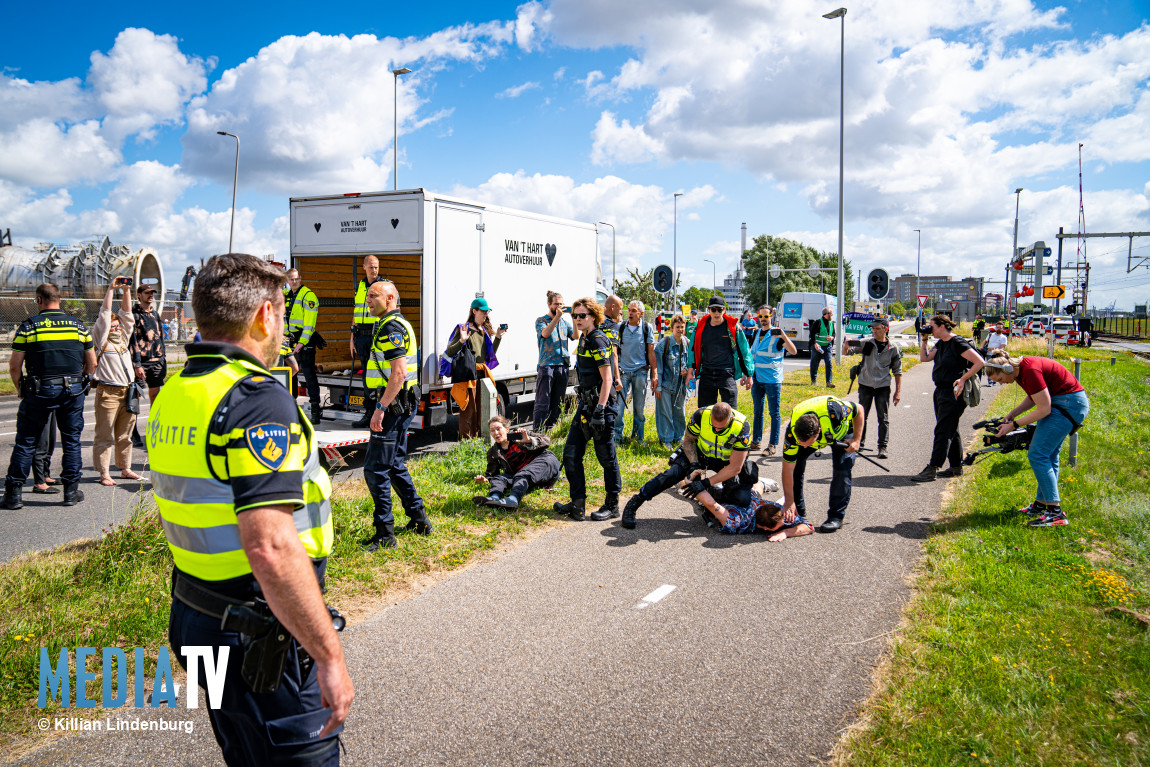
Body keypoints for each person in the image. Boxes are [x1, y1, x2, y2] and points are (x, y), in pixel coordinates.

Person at [151, 253, 353, 765]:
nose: (283, 327)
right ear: (265, 314)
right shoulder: (255, 398)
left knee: (245, 752)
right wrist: (329, 655)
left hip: (196, 614)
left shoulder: (176, 392)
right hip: (259, 632)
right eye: (282, 313)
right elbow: (270, 545)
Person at [3, 284, 95, 510]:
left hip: (40, 390)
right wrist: (83, 381)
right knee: (71, 441)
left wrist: (20, 389)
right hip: (72, 390)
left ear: (38, 300)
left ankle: (14, 495)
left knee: (26, 441)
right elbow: (92, 362)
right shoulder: (78, 326)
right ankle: (71, 492)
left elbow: (15, 366)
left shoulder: (29, 326)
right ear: (60, 300)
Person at [362, 281, 434, 550]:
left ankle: (384, 534)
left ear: (390, 298)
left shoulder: (390, 327)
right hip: (403, 403)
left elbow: (399, 374)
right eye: (367, 295)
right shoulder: (398, 322)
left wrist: (380, 408)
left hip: (392, 406)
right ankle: (419, 519)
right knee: (393, 464)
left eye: (373, 295)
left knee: (375, 469)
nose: (367, 300)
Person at [983, 351, 1089, 527]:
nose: (1001, 383)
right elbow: (1035, 396)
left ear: (1007, 369)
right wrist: (1013, 413)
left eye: (1000, 379)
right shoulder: (1019, 372)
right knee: (1049, 456)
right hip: (1067, 403)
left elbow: (1044, 409)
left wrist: (1013, 425)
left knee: (1038, 454)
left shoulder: (1030, 370)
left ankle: (1055, 513)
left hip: (1068, 405)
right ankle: (1042, 505)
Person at [620, 402, 757, 530]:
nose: (716, 429)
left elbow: (735, 467)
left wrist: (705, 483)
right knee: (671, 474)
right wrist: (694, 464)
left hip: (726, 462)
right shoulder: (701, 415)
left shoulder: (741, 427)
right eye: (713, 426)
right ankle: (635, 502)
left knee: (742, 498)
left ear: (730, 418)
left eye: (720, 428)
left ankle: (717, 494)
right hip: (701, 455)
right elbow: (689, 440)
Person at [554, 297, 621, 522]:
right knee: (571, 455)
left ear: (593, 316)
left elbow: (608, 379)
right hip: (585, 405)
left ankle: (612, 505)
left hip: (602, 407)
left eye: (582, 315)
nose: (578, 319)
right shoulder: (583, 339)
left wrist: (600, 410)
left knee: (606, 458)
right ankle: (577, 504)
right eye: (575, 315)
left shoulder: (598, 340)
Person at [911, 314, 985, 482]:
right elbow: (925, 358)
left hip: (954, 392)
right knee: (951, 428)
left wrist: (963, 379)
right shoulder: (941, 343)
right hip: (940, 391)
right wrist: (924, 340)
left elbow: (979, 362)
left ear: (943, 326)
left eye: (933, 327)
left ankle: (933, 467)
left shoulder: (957, 343)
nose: (931, 329)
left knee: (943, 430)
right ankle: (956, 467)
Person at [779, 395, 864, 533]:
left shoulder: (835, 411)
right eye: (802, 444)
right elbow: (787, 469)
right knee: (796, 466)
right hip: (814, 434)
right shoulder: (792, 434)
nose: (805, 447)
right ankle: (797, 510)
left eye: (807, 444)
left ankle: (836, 516)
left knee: (842, 468)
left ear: (818, 432)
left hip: (840, 433)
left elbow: (859, 409)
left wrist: (856, 440)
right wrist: (789, 501)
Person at [92, 277, 143, 486]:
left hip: (128, 391)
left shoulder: (122, 339)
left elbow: (128, 316)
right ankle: (104, 472)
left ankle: (125, 468)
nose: (115, 328)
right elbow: (105, 316)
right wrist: (111, 289)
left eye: (117, 326)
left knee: (125, 435)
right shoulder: (101, 339)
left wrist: (127, 291)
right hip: (108, 392)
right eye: (113, 326)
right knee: (104, 436)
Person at [842, 317, 902, 459]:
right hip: (865, 385)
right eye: (872, 329)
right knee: (862, 416)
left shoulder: (893, 348)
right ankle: (859, 443)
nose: (874, 331)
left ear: (885, 329)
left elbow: (897, 371)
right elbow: (846, 352)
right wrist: (845, 345)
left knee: (883, 418)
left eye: (877, 329)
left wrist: (898, 392)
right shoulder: (867, 343)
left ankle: (882, 447)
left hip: (883, 386)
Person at [445, 297, 505, 439]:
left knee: (481, 409)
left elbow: (489, 355)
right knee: (468, 410)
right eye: (483, 311)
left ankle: (478, 440)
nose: (485, 315)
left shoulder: (483, 331)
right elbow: (450, 351)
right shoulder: (463, 329)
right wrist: (461, 340)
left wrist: (497, 337)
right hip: (467, 375)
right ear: (474, 311)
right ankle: (466, 442)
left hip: (481, 375)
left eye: (487, 312)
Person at [472, 415, 560, 510]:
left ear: (507, 429)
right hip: (523, 477)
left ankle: (513, 499)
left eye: (498, 429)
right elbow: (492, 473)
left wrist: (529, 440)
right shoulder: (493, 452)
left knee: (523, 474)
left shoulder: (519, 434)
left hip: (545, 462)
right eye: (492, 430)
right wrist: (485, 480)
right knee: (500, 478)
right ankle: (493, 498)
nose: (496, 433)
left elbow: (547, 441)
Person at [749, 305, 797, 454]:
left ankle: (772, 445)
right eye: (761, 316)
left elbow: (793, 351)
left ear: (771, 317)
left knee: (774, 413)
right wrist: (747, 375)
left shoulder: (777, 335)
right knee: (758, 411)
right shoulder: (756, 333)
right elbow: (752, 356)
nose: (763, 319)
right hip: (757, 379)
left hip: (772, 380)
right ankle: (756, 441)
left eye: (766, 316)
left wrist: (783, 335)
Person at [690, 295, 753, 408]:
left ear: (724, 310)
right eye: (713, 309)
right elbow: (693, 350)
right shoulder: (700, 327)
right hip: (707, 374)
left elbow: (744, 350)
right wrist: (690, 371)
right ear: (708, 310)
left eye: (720, 309)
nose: (717, 313)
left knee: (731, 411)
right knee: (705, 412)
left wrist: (748, 375)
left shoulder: (733, 328)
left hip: (726, 374)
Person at [533, 291, 579, 431]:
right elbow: (545, 333)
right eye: (556, 304)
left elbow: (576, 336)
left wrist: (574, 319)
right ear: (549, 304)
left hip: (563, 366)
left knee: (557, 402)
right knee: (543, 402)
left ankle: (551, 431)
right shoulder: (541, 320)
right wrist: (556, 318)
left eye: (561, 304)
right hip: (547, 366)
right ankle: (538, 431)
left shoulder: (564, 323)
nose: (559, 307)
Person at [614, 300, 658, 442]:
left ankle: (638, 437)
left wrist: (654, 375)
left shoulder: (647, 328)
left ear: (641, 314)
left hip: (640, 372)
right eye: (629, 310)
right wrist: (616, 374)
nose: (630, 313)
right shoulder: (620, 327)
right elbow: (615, 351)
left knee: (639, 408)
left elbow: (651, 352)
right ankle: (617, 438)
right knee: (619, 408)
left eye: (633, 311)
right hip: (623, 372)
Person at [349, 255, 385, 427]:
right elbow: (356, 313)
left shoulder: (385, 286)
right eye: (371, 267)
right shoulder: (361, 287)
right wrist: (352, 338)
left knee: (380, 376)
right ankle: (369, 412)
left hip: (377, 336)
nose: (374, 270)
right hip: (361, 337)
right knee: (367, 378)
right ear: (364, 267)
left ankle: (382, 412)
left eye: (376, 267)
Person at [285, 268, 323, 423]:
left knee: (308, 375)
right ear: (287, 281)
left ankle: (315, 411)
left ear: (300, 278)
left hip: (304, 340)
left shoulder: (308, 296)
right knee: (290, 376)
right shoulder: (286, 295)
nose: (294, 282)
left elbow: (309, 324)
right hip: (289, 340)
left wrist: (302, 343)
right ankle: (291, 408)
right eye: (291, 280)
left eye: (296, 279)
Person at [130, 282, 166, 448]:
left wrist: (163, 357)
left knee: (155, 397)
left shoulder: (155, 314)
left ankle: (153, 429)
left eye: (152, 293)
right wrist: (136, 363)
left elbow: (160, 336)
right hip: (141, 362)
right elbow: (133, 340)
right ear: (139, 295)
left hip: (157, 362)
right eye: (147, 293)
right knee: (135, 398)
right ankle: (133, 431)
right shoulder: (134, 314)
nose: (150, 295)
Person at [654, 314, 691, 446]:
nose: (680, 329)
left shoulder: (687, 343)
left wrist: (687, 371)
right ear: (671, 328)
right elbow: (657, 367)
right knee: (665, 413)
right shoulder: (664, 343)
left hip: (680, 386)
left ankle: (678, 437)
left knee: (679, 412)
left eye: (682, 327)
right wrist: (657, 387)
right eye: (677, 327)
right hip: (665, 385)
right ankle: (666, 439)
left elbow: (693, 364)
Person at [600, 294, 624, 402]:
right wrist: (617, 377)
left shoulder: (595, 321)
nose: (620, 312)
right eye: (620, 309)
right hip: (607, 373)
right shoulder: (611, 326)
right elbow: (613, 353)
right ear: (613, 307)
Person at [809, 307, 836, 388]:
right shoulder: (818, 322)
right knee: (814, 363)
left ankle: (829, 382)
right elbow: (812, 334)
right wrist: (815, 344)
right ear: (826, 314)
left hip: (827, 346)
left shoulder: (831, 322)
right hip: (818, 347)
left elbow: (834, 333)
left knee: (829, 363)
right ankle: (813, 380)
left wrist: (832, 338)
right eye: (831, 313)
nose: (832, 315)